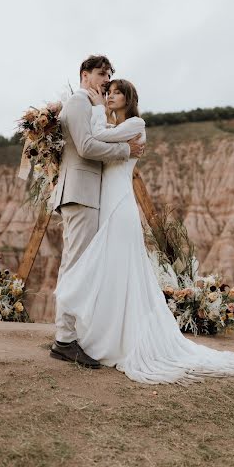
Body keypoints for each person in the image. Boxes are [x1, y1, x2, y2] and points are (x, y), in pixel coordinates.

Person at [54, 79, 234, 384]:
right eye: (107, 91)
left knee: (120, 266)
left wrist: (96, 108)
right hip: (106, 199)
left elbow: (96, 136)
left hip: (120, 204)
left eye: (115, 92)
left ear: (129, 97)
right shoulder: (117, 128)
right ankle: (103, 332)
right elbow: (96, 144)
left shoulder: (136, 122)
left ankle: (113, 334)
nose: (109, 96)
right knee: (110, 268)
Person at [51, 55, 144, 368]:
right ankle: (64, 340)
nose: (106, 80)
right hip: (80, 192)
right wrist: (126, 150)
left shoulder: (88, 105)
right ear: (84, 74)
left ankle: (71, 334)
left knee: (80, 264)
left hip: (87, 192)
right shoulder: (78, 103)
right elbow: (88, 147)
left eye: (108, 75)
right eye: (101, 74)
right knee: (75, 264)